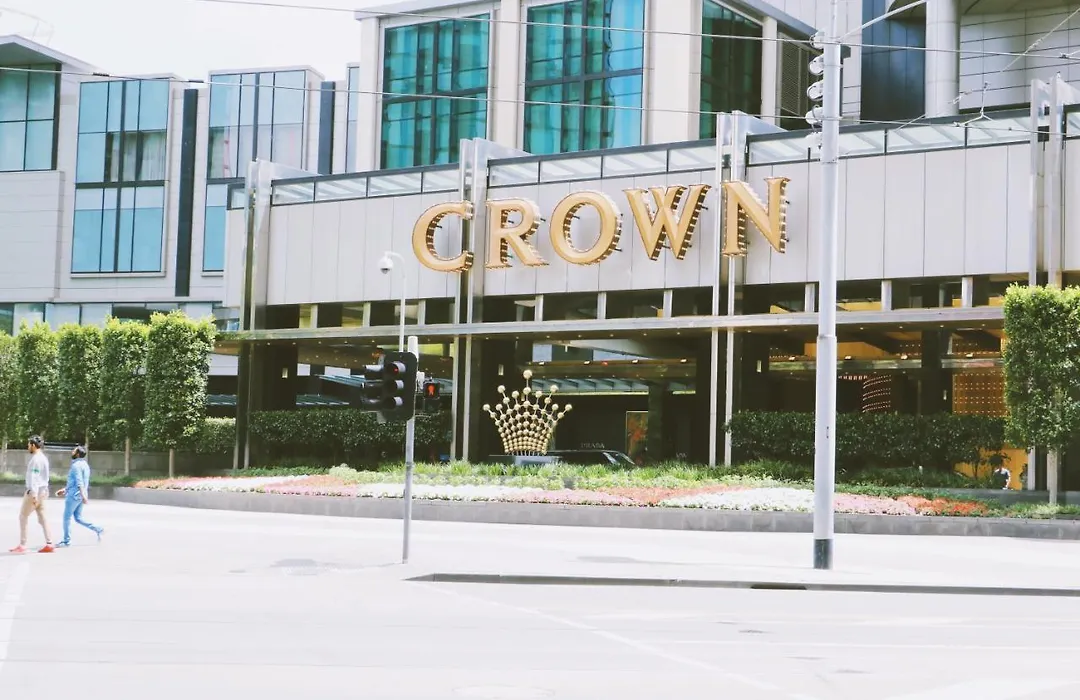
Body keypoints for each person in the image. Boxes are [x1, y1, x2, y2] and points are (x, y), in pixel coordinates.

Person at [10, 435, 54, 554]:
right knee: (42, 517)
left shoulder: (36, 460)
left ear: (33, 445)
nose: (28, 446)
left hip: (34, 492)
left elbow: (34, 477)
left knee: (23, 516)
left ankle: (23, 544)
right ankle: (49, 543)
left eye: (29, 444)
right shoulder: (43, 458)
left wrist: (34, 494)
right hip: (43, 491)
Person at [56, 445, 104, 548]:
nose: (72, 452)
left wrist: (83, 496)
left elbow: (79, 482)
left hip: (74, 496)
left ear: (77, 454)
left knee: (66, 518)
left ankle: (66, 541)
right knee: (78, 518)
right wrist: (65, 490)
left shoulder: (76, 466)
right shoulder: (85, 465)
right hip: (79, 495)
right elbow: (78, 482)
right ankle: (98, 529)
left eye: (74, 451)